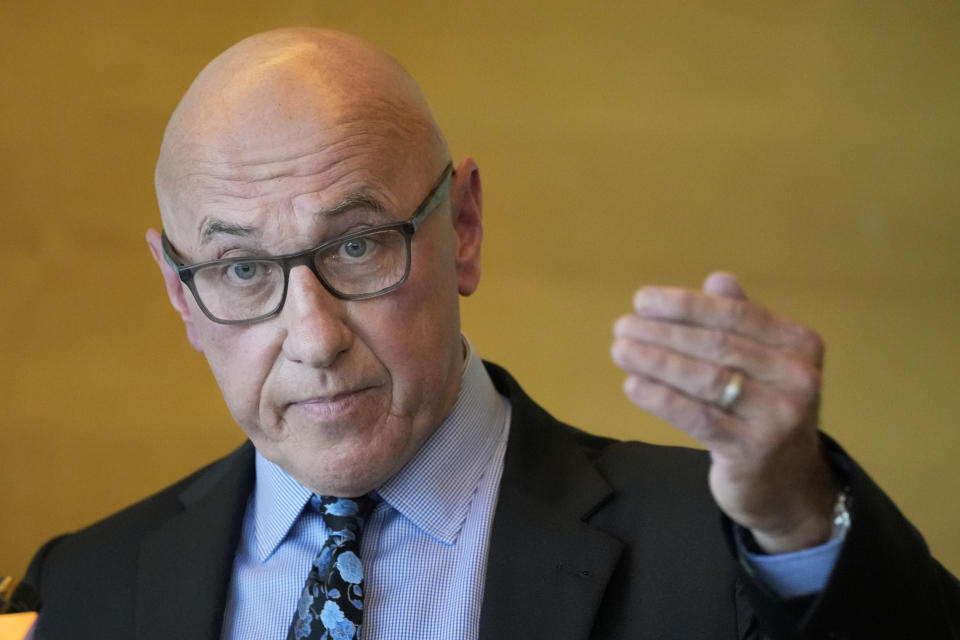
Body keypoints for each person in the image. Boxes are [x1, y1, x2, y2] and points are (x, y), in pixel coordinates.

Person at [22, 27, 959, 639]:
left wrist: (798, 518)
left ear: (461, 228)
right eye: (241, 271)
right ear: (180, 293)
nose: (312, 337)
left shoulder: (722, 549)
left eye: (357, 245)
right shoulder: (75, 594)